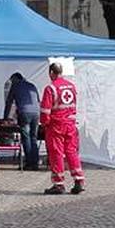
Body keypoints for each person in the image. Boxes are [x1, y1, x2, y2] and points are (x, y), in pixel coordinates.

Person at [40, 62, 84, 195]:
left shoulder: (51, 88)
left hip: (56, 125)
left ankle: (58, 183)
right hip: (70, 124)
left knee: (56, 153)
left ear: (51, 73)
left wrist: (44, 124)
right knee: (72, 151)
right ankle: (79, 180)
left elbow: (45, 111)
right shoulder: (71, 86)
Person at [3, 72, 41, 170]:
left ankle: (29, 163)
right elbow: (38, 100)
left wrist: (5, 118)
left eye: (12, 81)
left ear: (15, 79)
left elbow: (9, 103)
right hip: (36, 113)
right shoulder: (32, 85)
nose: (11, 83)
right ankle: (35, 162)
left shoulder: (15, 86)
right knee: (33, 137)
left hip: (24, 113)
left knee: (26, 137)